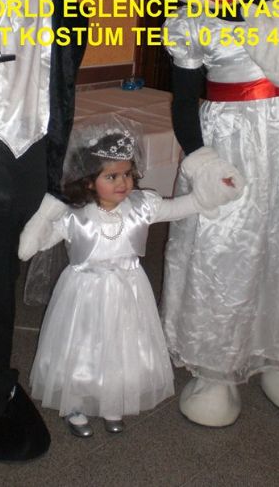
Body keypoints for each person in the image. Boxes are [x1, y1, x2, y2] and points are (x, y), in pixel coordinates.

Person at [18, 119, 243, 437]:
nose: (122, 182)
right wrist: (39, 223)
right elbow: (39, 243)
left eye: (126, 174)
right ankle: (76, 402)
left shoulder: (141, 207)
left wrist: (208, 196)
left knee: (122, 345)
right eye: (111, 176)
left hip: (129, 290)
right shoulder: (75, 216)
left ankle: (112, 398)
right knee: (83, 345)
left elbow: (179, 207)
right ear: (89, 181)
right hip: (85, 292)